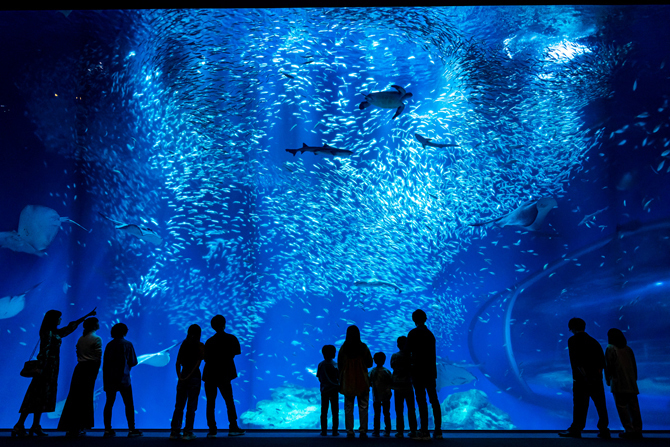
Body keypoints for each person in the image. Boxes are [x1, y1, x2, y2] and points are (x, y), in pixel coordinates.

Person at [13, 308, 96, 438]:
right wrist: (41, 367)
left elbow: (70, 327)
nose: (60, 319)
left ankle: (35, 425)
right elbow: (45, 350)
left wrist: (86, 316)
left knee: (41, 397)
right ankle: (19, 425)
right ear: (53, 319)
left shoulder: (54, 332)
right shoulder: (48, 333)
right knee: (35, 396)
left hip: (51, 368)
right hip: (46, 368)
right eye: (59, 317)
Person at [558, 318, 610, 439]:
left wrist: (585, 376)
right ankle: (604, 429)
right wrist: (596, 376)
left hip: (581, 380)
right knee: (601, 405)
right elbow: (601, 362)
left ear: (572, 328)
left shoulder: (572, 340)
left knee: (580, 405)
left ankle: (576, 429)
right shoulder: (594, 341)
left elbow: (576, 361)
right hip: (596, 379)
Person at [58, 317, 103, 437]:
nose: (99, 324)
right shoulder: (97, 338)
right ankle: (80, 426)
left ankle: (71, 426)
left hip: (79, 368)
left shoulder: (81, 339)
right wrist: (96, 372)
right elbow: (98, 357)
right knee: (85, 397)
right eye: (97, 322)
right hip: (90, 369)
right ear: (94, 326)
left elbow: (78, 353)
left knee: (74, 397)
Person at [203, 315, 245, 437]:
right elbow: (236, 352)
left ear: (212, 326)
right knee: (229, 401)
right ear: (224, 324)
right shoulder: (231, 338)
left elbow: (205, 358)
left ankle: (212, 430)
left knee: (210, 402)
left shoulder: (209, 341)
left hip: (210, 374)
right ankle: (233, 427)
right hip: (224, 374)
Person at [407, 309, 442, 440]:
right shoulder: (430, 335)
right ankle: (438, 430)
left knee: (421, 401)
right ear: (425, 319)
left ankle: (424, 431)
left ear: (413, 319)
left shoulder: (413, 333)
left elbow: (407, 352)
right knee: (434, 400)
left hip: (417, 372)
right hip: (430, 372)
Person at [103, 322, 142, 438]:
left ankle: (107, 429)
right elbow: (133, 362)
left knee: (109, 404)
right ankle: (131, 429)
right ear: (124, 332)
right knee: (129, 404)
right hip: (124, 379)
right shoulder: (128, 344)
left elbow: (105, 364)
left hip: (110, 379)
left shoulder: (109, 345)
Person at [605, 328, 643, 439]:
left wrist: (608, 380)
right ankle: (638, 430)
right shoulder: (628, 349)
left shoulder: (610, 348)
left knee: (622, 407)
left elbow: (609, 367)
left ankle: (629, 430)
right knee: (634, 407)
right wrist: (634, 379)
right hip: (630, 382)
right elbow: (634, 366)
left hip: (619, 383)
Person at [170, 324, 205, 441]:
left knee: (179, 405)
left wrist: (180, 376)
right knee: (191, 406)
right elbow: (198, 363)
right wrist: (189, 375)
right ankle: (187, 432)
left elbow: (177, 362)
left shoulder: (184, 345)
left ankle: (174, 431)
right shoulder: (200, 345)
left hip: (183, 375)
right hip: (194, 377)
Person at [338, 325, 373, 438]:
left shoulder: (344, 348)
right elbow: (370, 363)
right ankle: (363, 430)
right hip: (362, 380)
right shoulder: (363, 347)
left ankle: (350, 430)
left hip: (348, 381)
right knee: (363, 406)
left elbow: (340, 365)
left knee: (349, 407)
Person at [390, 336, 418, 439]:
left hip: (398, 386)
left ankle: (400, 431)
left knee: (399, 409)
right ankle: (413, 430)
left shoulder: (395, 356)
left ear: (398, 345)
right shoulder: (411, 356)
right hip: (408, 385)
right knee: (411, 409)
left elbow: (392, 366)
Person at [316, 344, 340, 436]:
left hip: (324, 390)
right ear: (334, 354)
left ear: (323, 354)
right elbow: (339, 377)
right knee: (335, 411)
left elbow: (319, 377)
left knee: (324, 411)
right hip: (334, 390)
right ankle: (335, 431)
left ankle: (324, 431)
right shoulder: (336, 365)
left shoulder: (321, 364)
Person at [369, 352, 393, 437]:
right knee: (387, 413)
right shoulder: (387, 371)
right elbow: (391, 383)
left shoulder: (372, 372)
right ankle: (387, 431)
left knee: (377, 413)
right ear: (384, 360)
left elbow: (369, 383)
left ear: (374, 360)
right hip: (386, 396)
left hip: (376, 397)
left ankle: (376, 431)